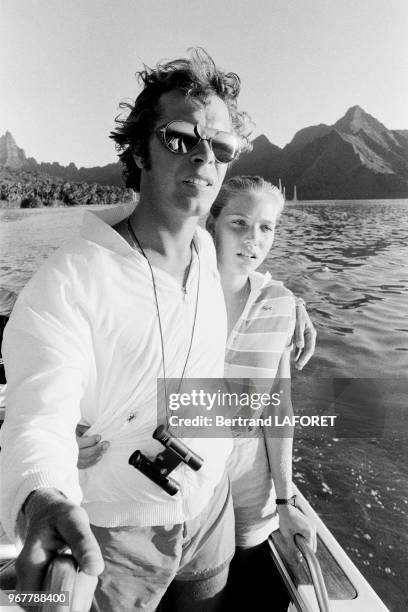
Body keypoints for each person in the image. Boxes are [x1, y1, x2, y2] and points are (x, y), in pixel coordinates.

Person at [0, 50, 315, 610]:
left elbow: (250, 264)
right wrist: (42, 494)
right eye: (180, 139)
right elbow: (38, 410)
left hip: (210, 504)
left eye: (221, 148)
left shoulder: (207, 248)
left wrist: (290, 305)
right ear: (140, 149)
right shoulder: (69, 280)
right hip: (118, 529)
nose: (203, 157)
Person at [76, 176, 316, 610]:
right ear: (211, 221)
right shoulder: (169, 292)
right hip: (164, 467)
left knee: (229, 585)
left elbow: (278, 407)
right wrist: (72, 431)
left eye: (267, 228)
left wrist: (285, 497)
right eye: (239, 223)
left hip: (245, 473)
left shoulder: (280, 303)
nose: (253, 240)